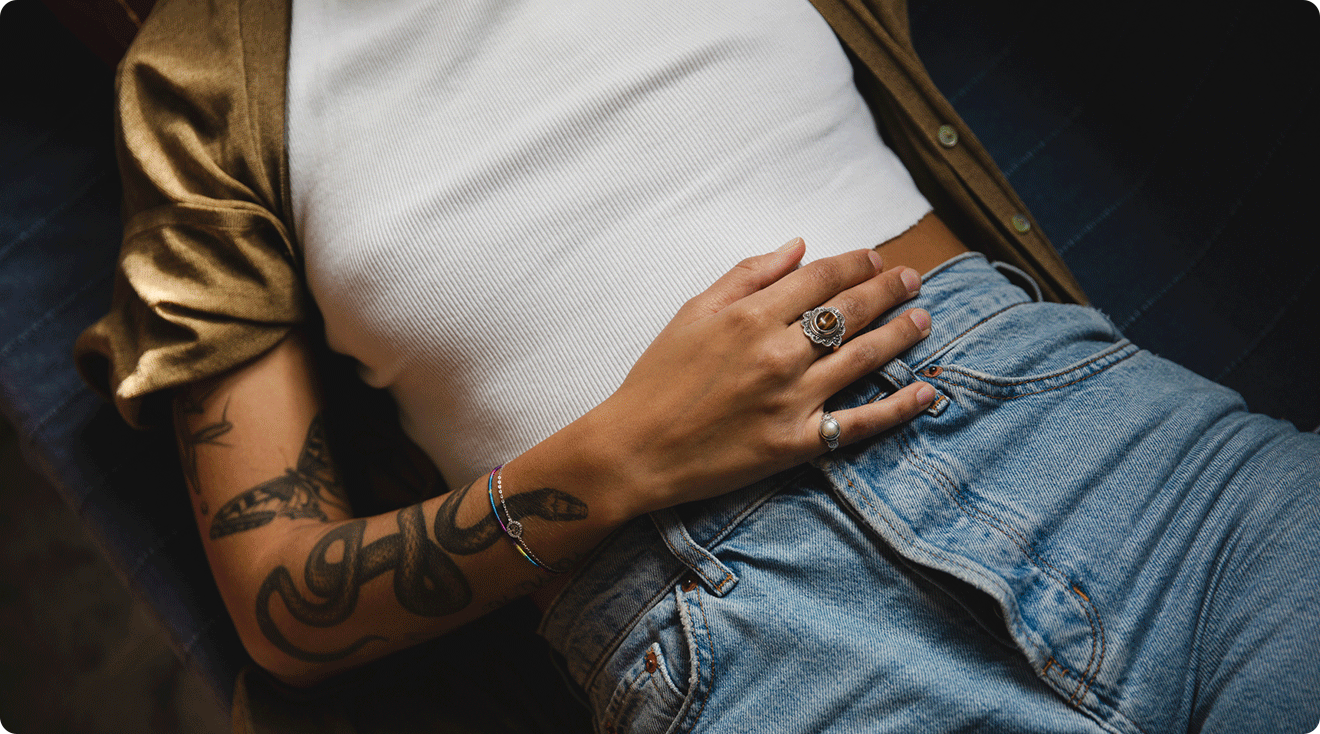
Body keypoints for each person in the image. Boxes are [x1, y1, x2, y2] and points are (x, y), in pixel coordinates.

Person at [75, 0, 1320, 731]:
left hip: (1116, 458)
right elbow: (284, 598)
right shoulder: (199, 78)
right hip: (730, 627)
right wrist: (617, 457)